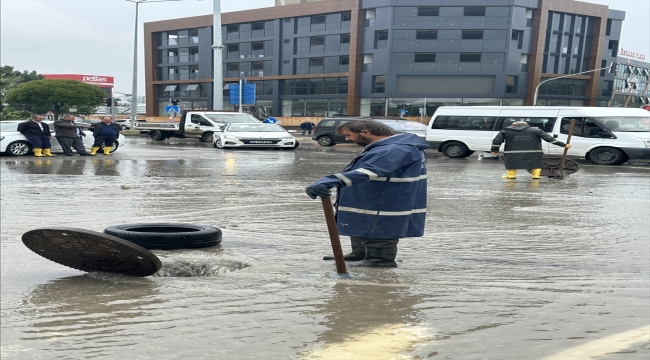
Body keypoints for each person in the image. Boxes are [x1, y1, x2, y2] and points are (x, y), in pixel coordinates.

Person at [305, 120, 429, 267]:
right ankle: (361, 253)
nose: (347, 139)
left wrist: (330, 181)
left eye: (348, 135)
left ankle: (380, 260)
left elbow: (368, 171)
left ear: (365, 132)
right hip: (372, 196)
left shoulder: (396, 149)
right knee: (361, 223)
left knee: (377, 229)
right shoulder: (389, 147)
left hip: (384, 199)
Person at [491, 121, 571, 180]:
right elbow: (549, 139)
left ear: (512, 125)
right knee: (535, 163)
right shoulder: (536, 131)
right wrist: (564, 145)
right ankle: (536, 176)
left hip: (512, 152)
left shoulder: (505, 131)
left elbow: (497, 141)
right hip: (534, 152)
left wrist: (494, 150)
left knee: (512, 163)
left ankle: (511, 175)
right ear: (527, 125)